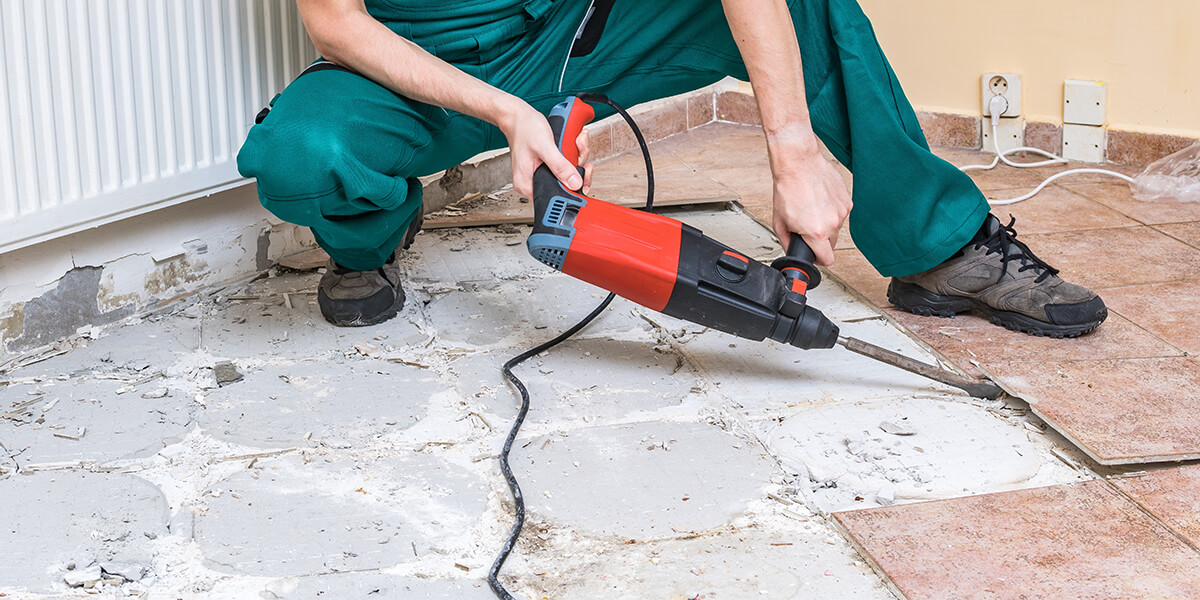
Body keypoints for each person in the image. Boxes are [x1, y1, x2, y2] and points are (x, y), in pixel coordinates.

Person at [238, 0, 1107, 338]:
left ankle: (935, 242)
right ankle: (372, 235)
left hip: (581, 31)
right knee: (301, 156)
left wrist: (791, 148)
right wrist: (506, 113)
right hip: (419, 65)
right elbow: (337, 24)